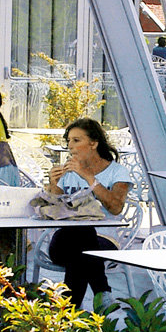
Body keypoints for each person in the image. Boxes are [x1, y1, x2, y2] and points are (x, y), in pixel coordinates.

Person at [46, 117, 133, 304]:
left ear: (93, 143)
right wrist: (53, 185)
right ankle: (102, 292)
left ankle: (68, 314)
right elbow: (53, 211)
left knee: (80, 252)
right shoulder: (67, 173)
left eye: (76, 141)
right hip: (63, 240)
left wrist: (88, 177)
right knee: (82, 232)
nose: (70, 146)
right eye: (68, 141)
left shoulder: (117, 172)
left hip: (104, 240)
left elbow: (116, 208)